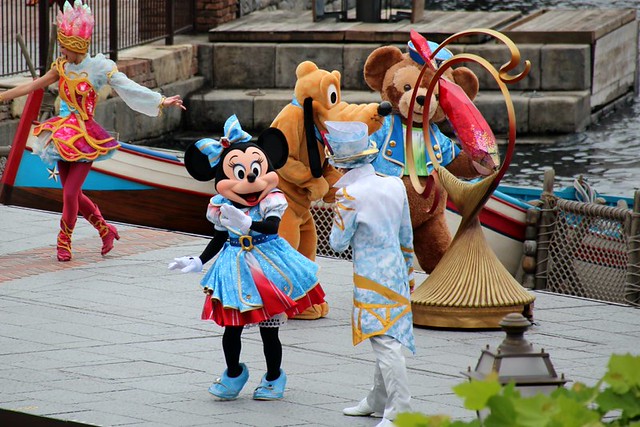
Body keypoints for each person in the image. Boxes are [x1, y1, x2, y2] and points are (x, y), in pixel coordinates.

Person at [0, 0, 185, 262]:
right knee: (72, 193)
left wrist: (160, 100)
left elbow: (127, 86)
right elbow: (33, 86)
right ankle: (105, 229)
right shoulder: (61, 67)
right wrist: (2, 96)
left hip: (86, 138)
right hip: (61, 137)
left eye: (64, 47)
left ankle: (64, 241)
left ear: (76, 47)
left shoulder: (98, 68)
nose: (61, 51)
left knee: (70, 193)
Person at [169, 115, 325, 401]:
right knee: (232, 328)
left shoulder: (271, 199)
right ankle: (233, 374)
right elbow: (220, 236)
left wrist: (248, 224)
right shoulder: (221, 206)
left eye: (256, 170)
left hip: (267, 264)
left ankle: (274, 377)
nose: (251, 179)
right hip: (234, 267)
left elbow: (272, 227)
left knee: (269, 332)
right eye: (240, 173)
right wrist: (199, 260)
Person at [326, 121, 416, 427]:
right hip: (397, 270)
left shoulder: (348, 194)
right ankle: (378, 400)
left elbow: (337, 243)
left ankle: (400, 410)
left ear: (340, 164)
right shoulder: (394, 184)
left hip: (370, 277)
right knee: (388, 338)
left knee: (385, 343)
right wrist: (409, 272)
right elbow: (406, 234)